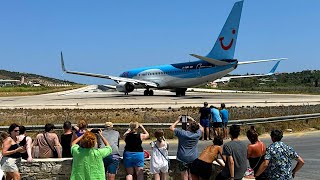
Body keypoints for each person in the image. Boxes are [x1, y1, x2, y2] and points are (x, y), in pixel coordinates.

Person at [169, 116, 203, 180]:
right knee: (191, 175)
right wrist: (193, 120)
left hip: (182, 157)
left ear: (189, 127)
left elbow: (171, 128)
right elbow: (202, 128)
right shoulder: (197, 134)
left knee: (184, 174)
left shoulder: (182, 133)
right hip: (193, 157)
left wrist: (178, 120)